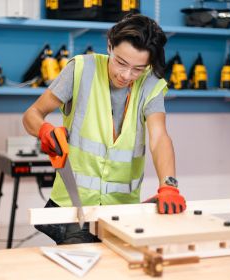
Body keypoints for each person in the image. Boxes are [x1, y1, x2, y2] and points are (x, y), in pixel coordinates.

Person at [22, 13, 186, 245]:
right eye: (120, 62)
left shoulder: (151, 85)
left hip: (121, 209)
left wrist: (169, 185)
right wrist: (44, 130)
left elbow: (159, 137)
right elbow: (32, 114)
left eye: (137, 69)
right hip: (73, 206)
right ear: (109, 46)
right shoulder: (81, 69)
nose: (126, 75)